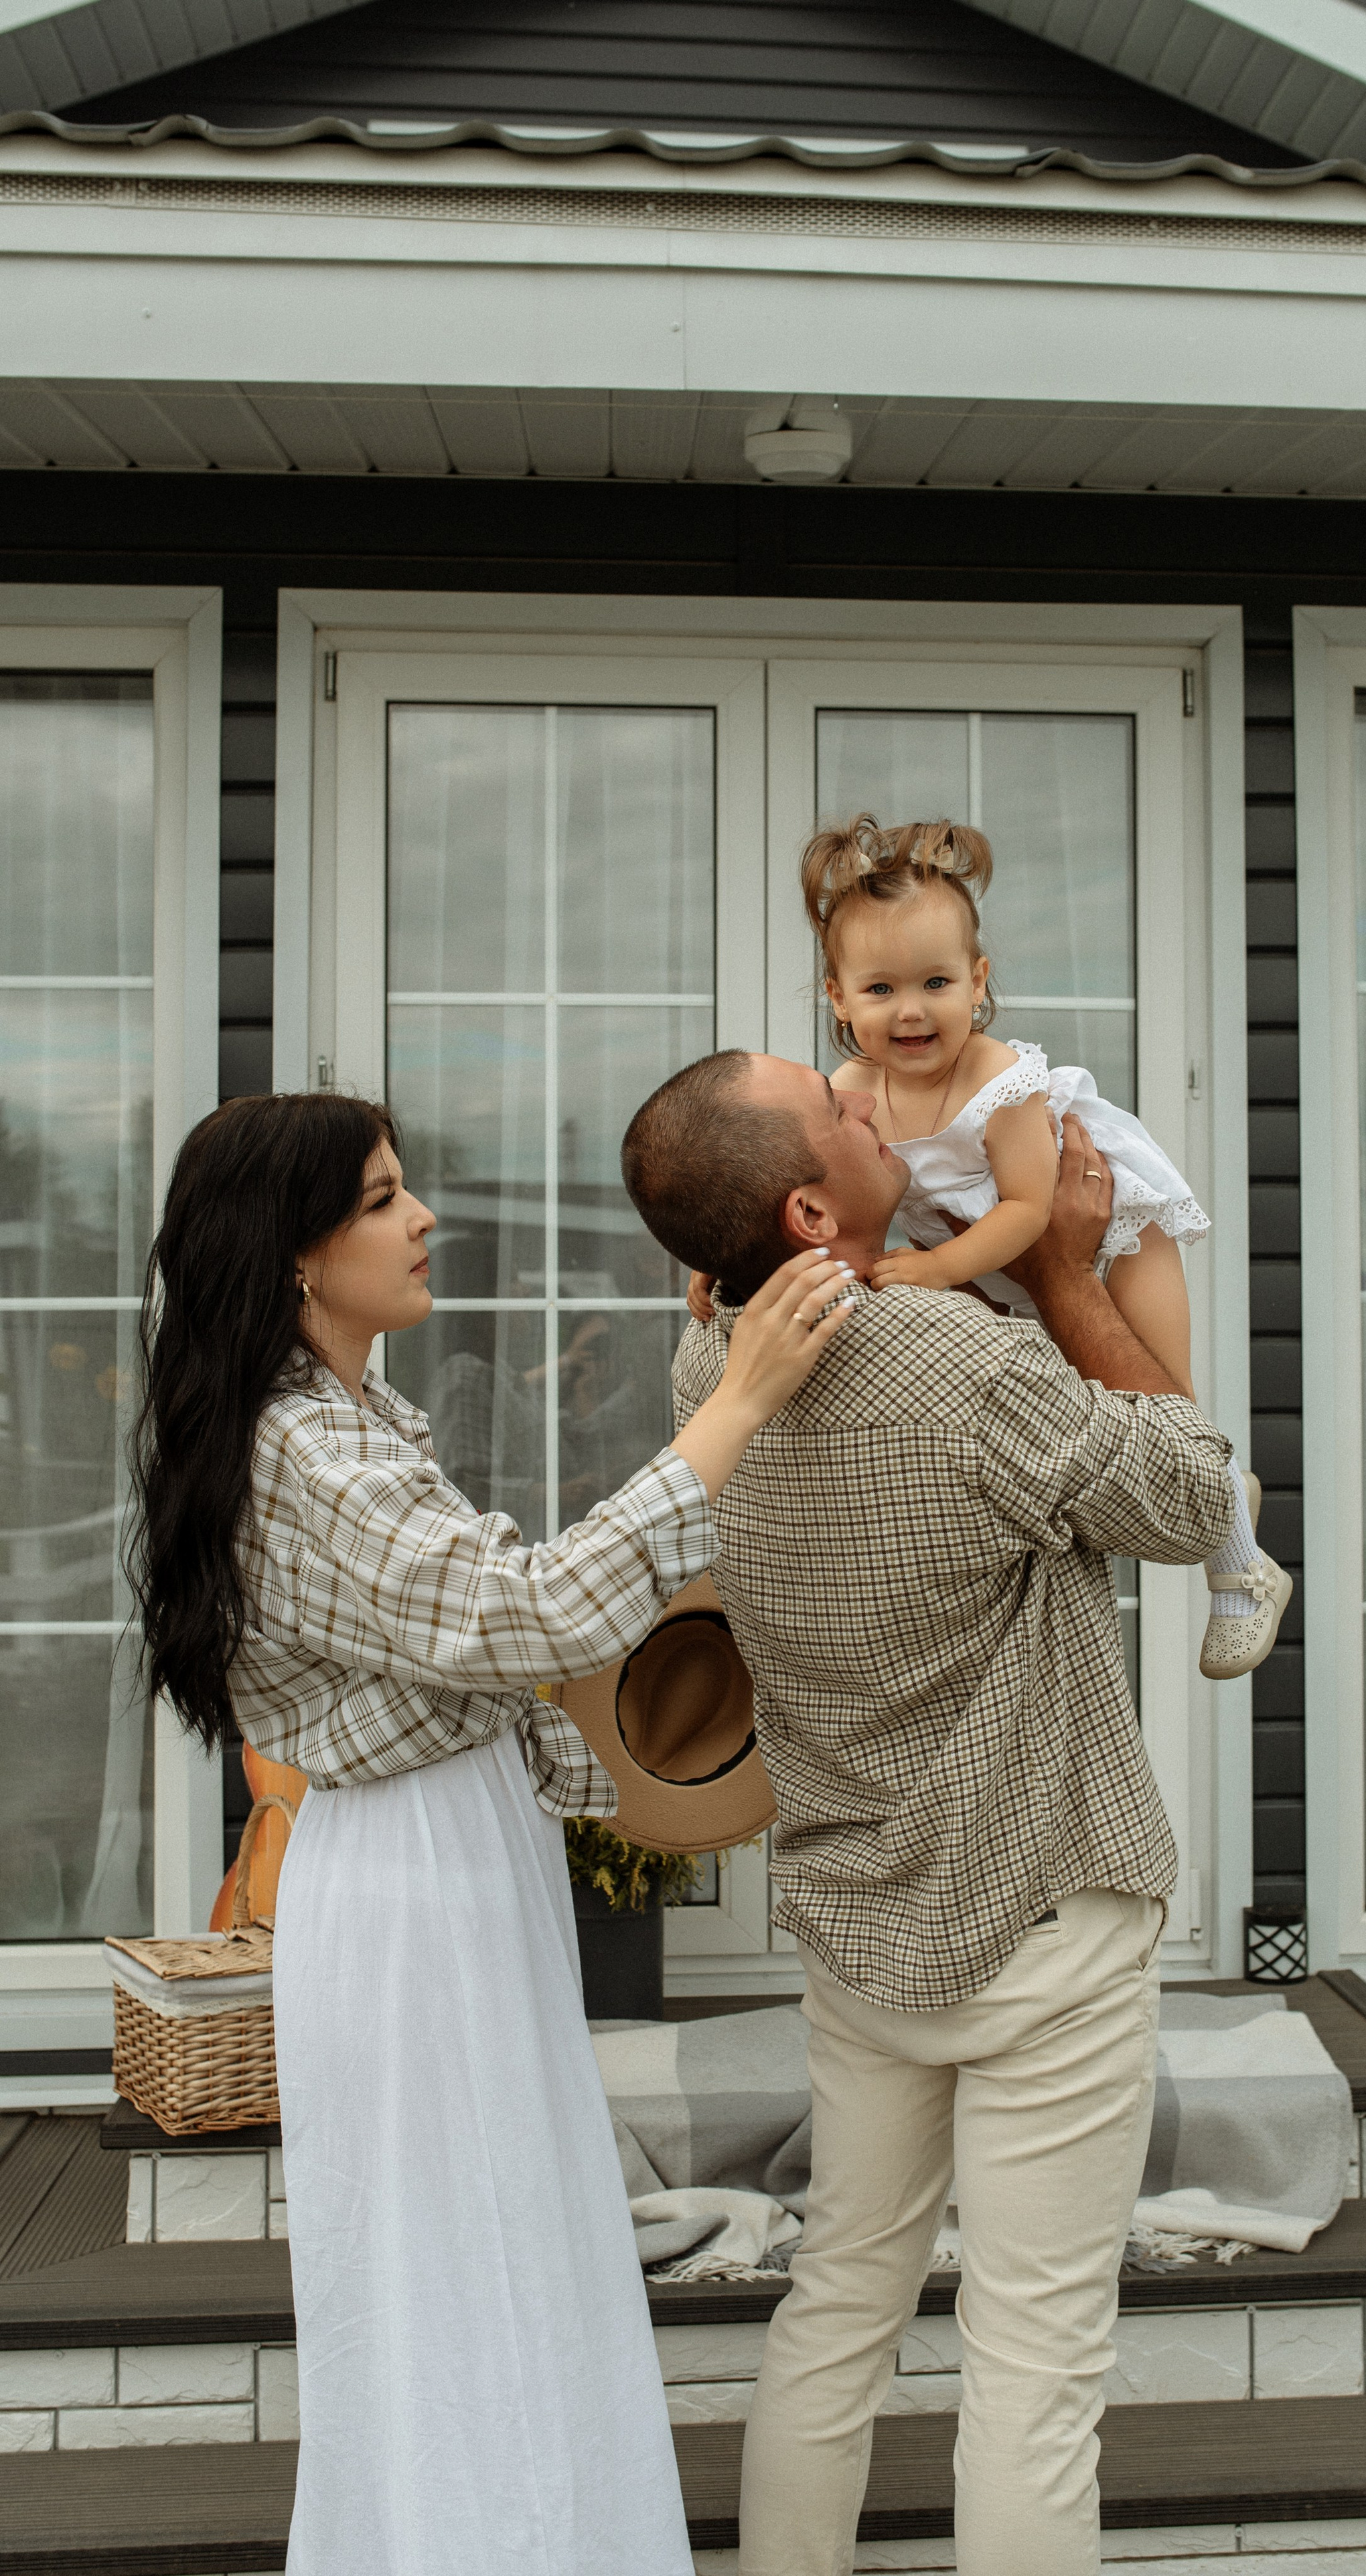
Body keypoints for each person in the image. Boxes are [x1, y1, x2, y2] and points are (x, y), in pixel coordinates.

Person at [125, 1091, 854, 2576]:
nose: (423, 1218)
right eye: (385, 1197)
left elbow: (489, 1651)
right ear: (295, 1256)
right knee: (471, 2276)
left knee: (490, 2263)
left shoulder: (341, 1426)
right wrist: (736, 1408)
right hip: (412, 1886)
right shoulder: (309, 1456)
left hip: (440, 1861)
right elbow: (524, 1614)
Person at [620, 1050, 1235, 2576]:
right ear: (814, 1205)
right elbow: (1189, 1492)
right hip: (1040, 1913)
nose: (859, 1086)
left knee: (837, 2303)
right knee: (1032, 2369)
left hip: (859, 1922)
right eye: (830, 1104)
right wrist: (1072, 1277)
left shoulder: (706, 1375)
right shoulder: (956, 1365)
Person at [801, 809, 1288, 1682]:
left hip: (1102, 1228)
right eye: (879, 991)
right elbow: (805, 1184)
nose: (911, 1011)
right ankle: (1221, 1503)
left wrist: (940, 1268)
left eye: (936, 983)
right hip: (984, 1266)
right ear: (838, 997)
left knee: (1168, 1404)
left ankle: (1241, 1565)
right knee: (1080, 1419)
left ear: (978, 982)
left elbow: (1030, 1209)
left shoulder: (1001, 1081)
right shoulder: (849, 1089)